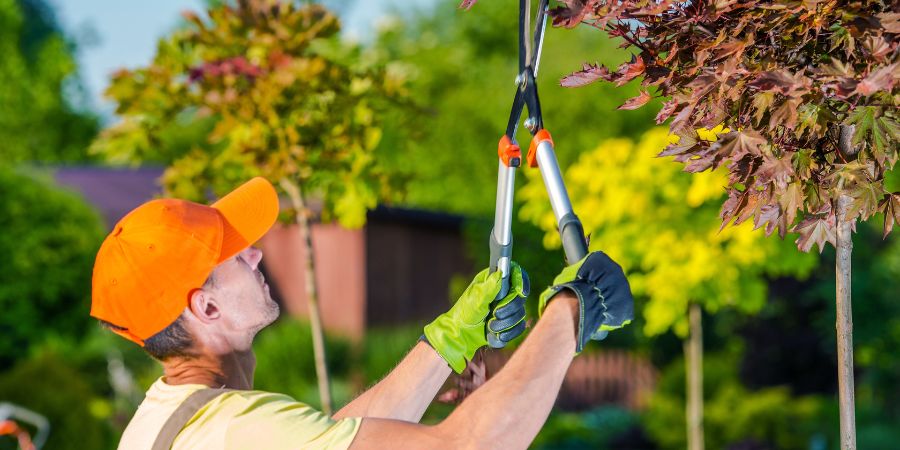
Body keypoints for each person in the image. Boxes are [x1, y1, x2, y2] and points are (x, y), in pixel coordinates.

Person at [92, 177, 633, 450]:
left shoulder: (176, 421)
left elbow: (332, 435)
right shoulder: (236, 431)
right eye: (235, 254)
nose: (256, 253)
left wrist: (451, 337)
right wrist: (571, 312)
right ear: (205, 306)